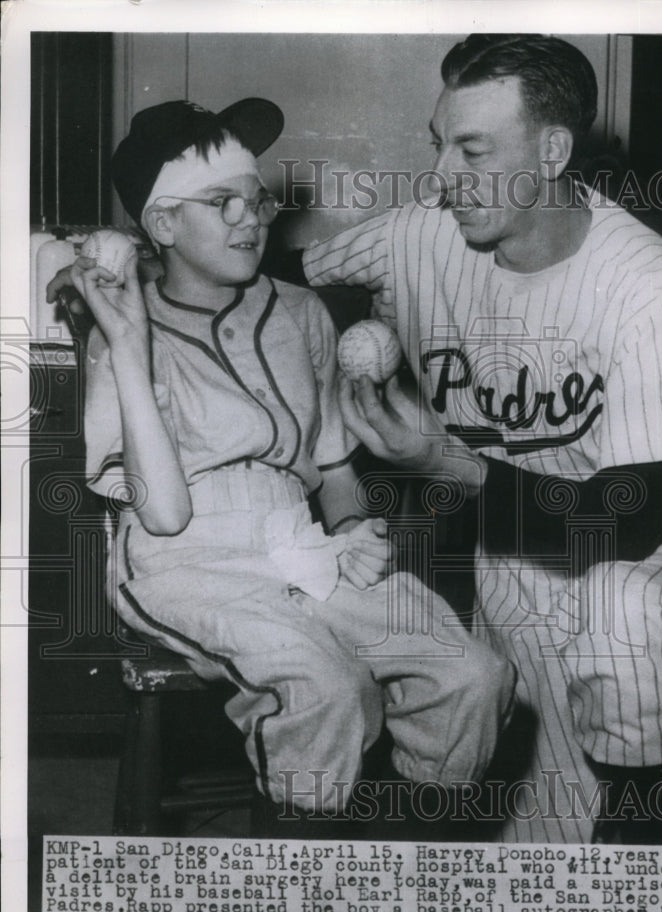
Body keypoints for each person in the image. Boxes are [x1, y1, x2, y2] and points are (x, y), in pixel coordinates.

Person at [299, 34, 662, 842]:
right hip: (516, 547)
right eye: (441, 146)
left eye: (473, 150)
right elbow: (269, 274)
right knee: (545, 859)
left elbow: (624, 513)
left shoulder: (647, 285)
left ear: (551, 150)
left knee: (621, 618)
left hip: (660, 541)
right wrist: (125, 277)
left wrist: (442, 460)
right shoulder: (420, 235)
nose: (441, 177)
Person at [71, 98, 514, 820]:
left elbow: (333, 470)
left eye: (256, 199)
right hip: (181, 555)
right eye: (223, 203)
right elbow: (163, 511)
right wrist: (125, 343)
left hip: (294, 542)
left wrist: (349, 534)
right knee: (325, 686)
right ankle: (306, 855)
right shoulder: (121, 332)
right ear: (162, 224)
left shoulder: (301, 312)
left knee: (470, 670)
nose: (252, 219)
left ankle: (417, 847)